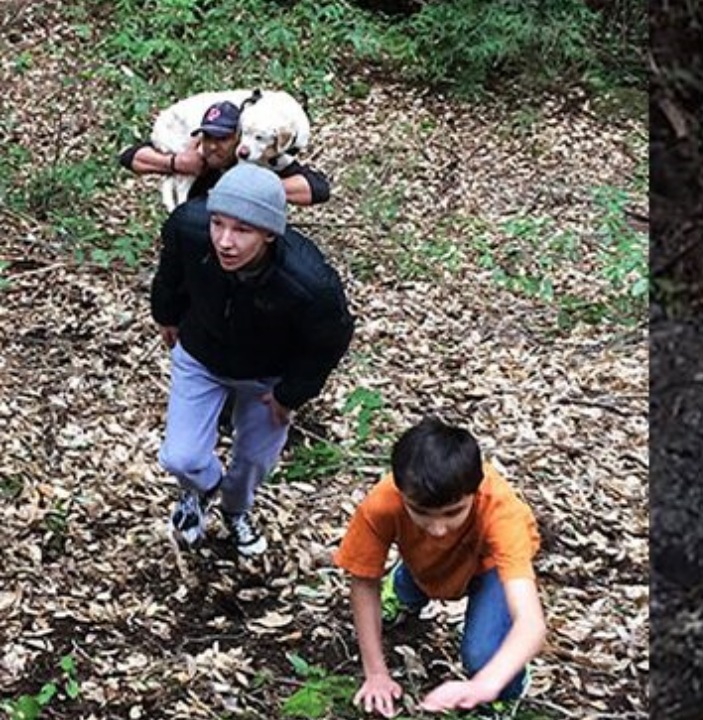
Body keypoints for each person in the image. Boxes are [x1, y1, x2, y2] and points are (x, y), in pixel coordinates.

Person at [150, 164, 353, 555]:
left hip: (267, 377)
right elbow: (170, 275)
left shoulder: (309, 283)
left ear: (269, 233)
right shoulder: (189, 229)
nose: (225, 241)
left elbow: (328, 341)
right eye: (218, 224)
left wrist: (291, 394)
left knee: (254, 461)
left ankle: (235, 510)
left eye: (242, 230)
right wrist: (166, 314)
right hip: (201, 355)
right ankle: (202, 489)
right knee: (181, 457)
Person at [334, 417, 545, 716]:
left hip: (488, 564)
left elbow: (531, 624)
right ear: (401, 491)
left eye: (452, 512)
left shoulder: (501, 512)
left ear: (475, 490)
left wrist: (484, 684)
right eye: (421, 511)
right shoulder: (383, 504)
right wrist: (376, 672)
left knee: (482, 654)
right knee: (428, 564)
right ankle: (404, 588)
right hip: (423, 560)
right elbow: (364, 580)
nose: (438, 528)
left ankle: (508, 691)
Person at [120, 100, 331, 206]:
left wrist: (252, 187)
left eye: (222, 139)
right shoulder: (200, 156)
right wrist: (175, 162)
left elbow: (318, 189)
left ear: (237, 137)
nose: (212, 146)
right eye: (208, 137)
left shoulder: (259, 160)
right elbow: (131, 157)